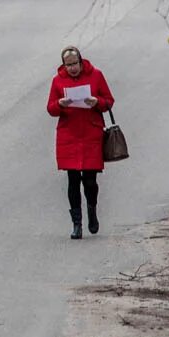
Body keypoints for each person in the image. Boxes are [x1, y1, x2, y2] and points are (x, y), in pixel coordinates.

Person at [46, 46, 115, 239]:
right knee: (73, 180)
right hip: (69, 135)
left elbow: (109, 101)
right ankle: (77, 224)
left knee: (90, 181)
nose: (72, 68)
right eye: (68, 65)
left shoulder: (96, 76)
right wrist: (60, 104)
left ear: (81, 61)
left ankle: (92, 211)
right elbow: (50, 108)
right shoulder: (58, 81)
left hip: (91, 133)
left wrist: (97, 102)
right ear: (64, 66)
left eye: (75, 64)